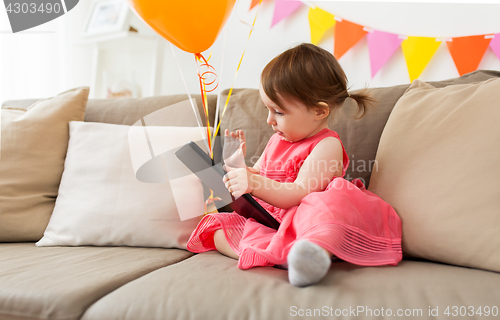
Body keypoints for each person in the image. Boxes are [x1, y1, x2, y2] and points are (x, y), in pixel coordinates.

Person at [186, 43, 402, 287]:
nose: (269, 120)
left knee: (325, 209)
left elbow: (298, 193)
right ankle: (280, 256)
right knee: (216, 231)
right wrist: (239, 167)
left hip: (303, 221)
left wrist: (254, 182)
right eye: (267, 109)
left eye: (278, 112)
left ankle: (307, 256)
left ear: (319, 111)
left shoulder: (326, 145)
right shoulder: (277, 139)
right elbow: (263, 176)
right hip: (272, 222)